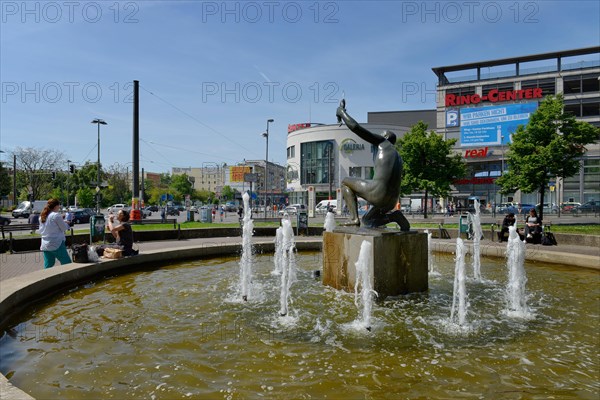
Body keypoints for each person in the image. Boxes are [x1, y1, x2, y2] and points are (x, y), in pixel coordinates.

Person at [336, 99, 409, 231]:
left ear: (385, 137)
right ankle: (394, 217)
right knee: (368, 220)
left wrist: (342, 112)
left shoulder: (383, 143)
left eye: (381, 135)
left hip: (378, 193)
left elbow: (356, 128)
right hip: (392, 201)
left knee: (345, 182)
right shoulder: (398, 156)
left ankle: (353, 219)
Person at [38, 198, 72, 269]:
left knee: (48, 264)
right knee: (67, 263)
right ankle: (68, 279)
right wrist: (67, 223)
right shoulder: (56, 215)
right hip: (57, 243)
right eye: (59, 205)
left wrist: (63, 222)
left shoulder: (42, 217)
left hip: (45, 244)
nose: (59, 207)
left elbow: (44, 228)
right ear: (56, 206)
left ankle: (45, 278)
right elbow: (64, 228)